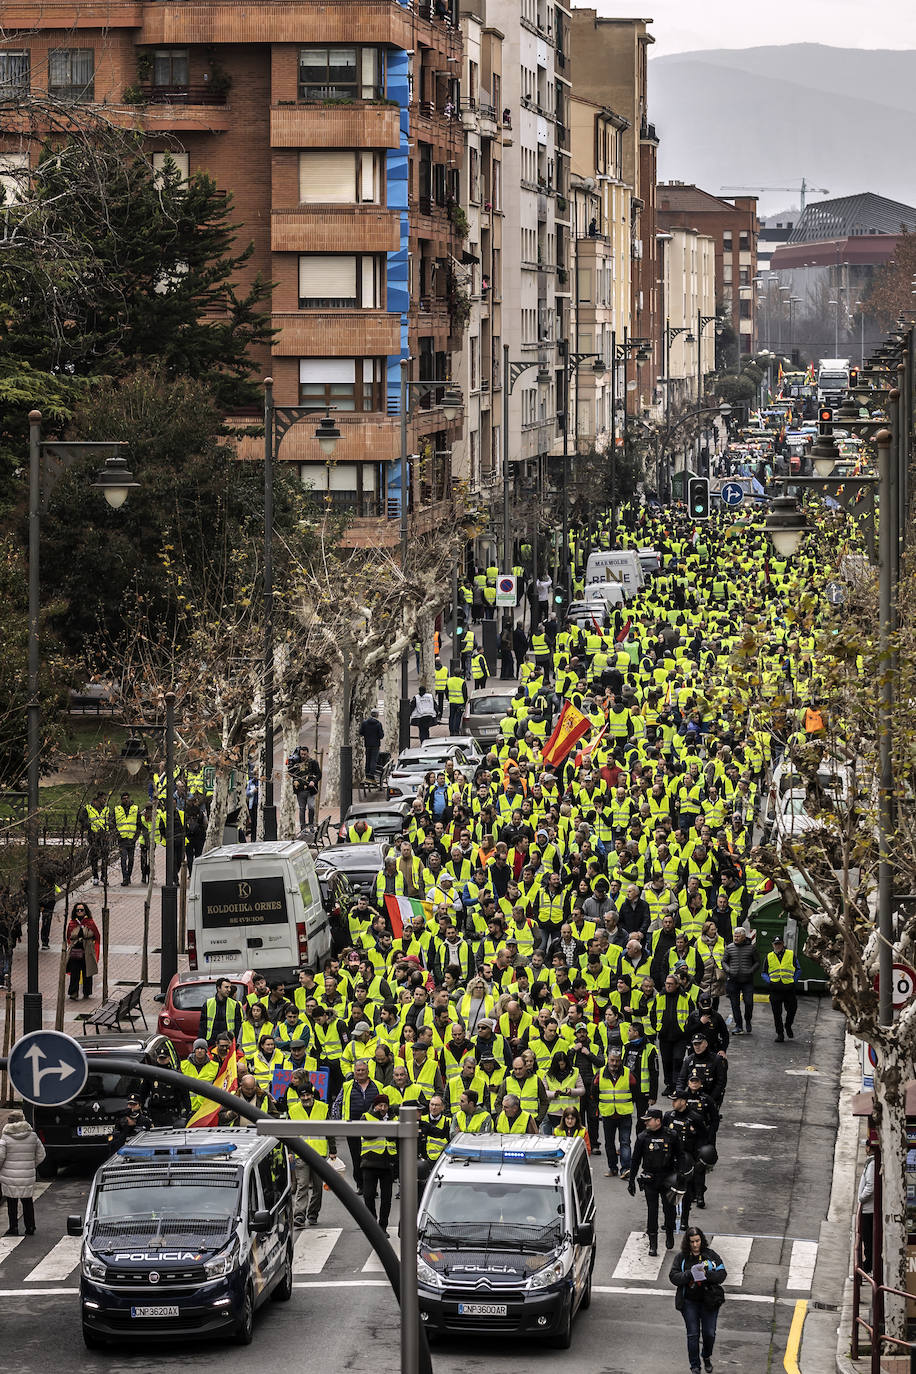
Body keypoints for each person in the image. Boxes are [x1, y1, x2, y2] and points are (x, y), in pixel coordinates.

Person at [669, 1226, 727, 1374]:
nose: (695, 1245)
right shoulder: (681, 1258)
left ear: (702, 1240)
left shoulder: (710, 1255)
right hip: (689, 1302)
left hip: (709, 1302)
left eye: (697, 1241)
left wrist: (706, 1274)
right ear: (687, 1243)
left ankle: (706, 1356)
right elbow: (674, 1277)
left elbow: (722, 1274)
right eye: (692, 1242)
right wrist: (690, 1274)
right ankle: (695, 1366)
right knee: (693, 1334)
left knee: (709, 1333)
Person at [629, 1106, 683, 1256]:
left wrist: (680, 1176)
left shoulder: (671, 1135)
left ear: (658, 1121)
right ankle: (653, 1243)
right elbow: (635, 1160)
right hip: (650, 1179)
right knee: (652, 1212)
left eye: (649, 1120)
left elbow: (680, 1156)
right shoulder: (642, 1137)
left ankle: (670, 1232)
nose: (646, 1123)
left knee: (669, 1209)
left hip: (667, 1178)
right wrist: (631, 1180)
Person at [289, 1078, 337, 1226]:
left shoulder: (323, 1108)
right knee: (302, 1186)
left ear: (312, 1094)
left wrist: (333, 1150)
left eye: (308, 1095)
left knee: (317, 1187)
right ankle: (299, 1216)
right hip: (301, 1154)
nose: (305, 1098)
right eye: (302, 1096)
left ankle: (313, 1213)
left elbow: (329, 1130)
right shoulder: (293, 1110)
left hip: (319, 1154)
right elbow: (290, 1134)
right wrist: (290, 1152)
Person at [0, 1111, 45, 1236]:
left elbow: (0, 1156)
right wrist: (32, 1165)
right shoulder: (33, 1136)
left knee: (12, 1203)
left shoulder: (5, 1137)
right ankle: (30, 1227)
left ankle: (13, 1227)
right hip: (27, 1175)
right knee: (27, 1202)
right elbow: (41, 1154)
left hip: (9, 1176)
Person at [360, 1095, 397, 1226]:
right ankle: (372, 1222)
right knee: (368, 1196)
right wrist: (381, 1121)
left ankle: (383, 1226)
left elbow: (394, 1138)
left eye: (385, 1106)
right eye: (379, 1105)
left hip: (388, 1164)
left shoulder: (394, 1118)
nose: (382, 1108)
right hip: (370, 1162)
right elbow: (368, 1135)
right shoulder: (366, 1117)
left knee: (386, 1199)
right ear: (374, 1106)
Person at [763, 934, 799, 1042]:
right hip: (775, 989)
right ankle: (780, 1034)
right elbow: (764, 973)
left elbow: (798, 969)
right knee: (777, 1014)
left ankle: (788, 1026)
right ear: (772, 945)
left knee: (792, 1010)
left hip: (789, 988)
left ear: (783, 944)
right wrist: (769, 982)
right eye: (775, 944)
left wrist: (794, 981)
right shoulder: (769, 956)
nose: (777, 946)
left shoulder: (790, 954)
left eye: (779, 944)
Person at [723, 927, 759, 1034]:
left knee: (749, 1002)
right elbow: (724, 961)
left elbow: (757, 962)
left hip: (747, 981)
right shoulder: (729, 948)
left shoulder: (751, 948)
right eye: (735, 936)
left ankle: (748, 1020)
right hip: (733, 981)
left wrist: (750, 971)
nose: (736, 938)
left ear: (743, 937)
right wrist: (728, 970)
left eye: (738, 936)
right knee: (735, 1004)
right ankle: (738, 1025)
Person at [65, 903, 100, 999]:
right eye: (78, 910)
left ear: (85, 911)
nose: (79, 912)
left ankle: (87, 992)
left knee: (87, 972)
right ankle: (73, 993)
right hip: (76, 951)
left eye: (81, 910)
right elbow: (68, 937)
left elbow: (96, 936)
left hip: (87, 951)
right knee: (74, 972)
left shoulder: (90, 922)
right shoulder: (72, 923)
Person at [199, 976, 244, 1045]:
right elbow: (202, 1026)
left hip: (229, 1042)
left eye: (230, 987)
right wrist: (202, 1042)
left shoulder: (234, 1005)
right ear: (218, 988)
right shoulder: (208, 1004)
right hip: (211, 1042)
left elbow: (238, 1026)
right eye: (226, 987)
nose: (229, 990)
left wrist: (237, 1043)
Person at [112, 791, 141, 886]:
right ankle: (125, 878)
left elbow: (139, 824)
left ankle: (128, 877)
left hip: (131, 839)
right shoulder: (117, 809)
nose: (126, 800)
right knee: (123, 859)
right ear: (121, 799)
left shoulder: (135, 809)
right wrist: (117, 835)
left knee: (131, 860)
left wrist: (135, 837)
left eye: (127, 798)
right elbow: (113, 824)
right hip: (122, 840)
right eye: (124, 798)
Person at [858, 1141, 875, 1273]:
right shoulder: (871, 1162)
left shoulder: (872, 1164)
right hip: (868, 1208)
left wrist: (861, 1198)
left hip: (869, 1209)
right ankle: (868, 1265)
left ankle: (868, 1267)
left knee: (868, 1241)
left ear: (869, 1148)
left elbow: (870, 1186)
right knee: (867, 1240)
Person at [359, 711, 385, 783]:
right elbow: (381, 736)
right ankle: (371, 776)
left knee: (368, 760)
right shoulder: (378, 724)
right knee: (373, 760)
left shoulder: (364, 723)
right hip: (375, 745)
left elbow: (361, 732)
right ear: (377, 715)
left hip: (367, 744)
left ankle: (367, 775)